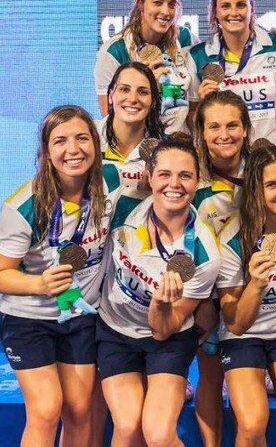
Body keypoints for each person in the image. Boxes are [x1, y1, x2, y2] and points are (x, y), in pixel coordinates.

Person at [96, 138, 220, 446]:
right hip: (115, 330)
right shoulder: (123, 205)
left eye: (185, 176)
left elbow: (164, 330)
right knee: (126, 429)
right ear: (149, 177)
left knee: (159, 434)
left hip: (168, 340)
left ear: (197, 182)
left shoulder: (204, 254)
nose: (173, 184)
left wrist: (162, 306)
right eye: (164, 174)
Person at [0, 105, 108, 446]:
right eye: (60, 141)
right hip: (29, 321)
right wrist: (38, 284)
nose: (73, 149)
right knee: (46, 410)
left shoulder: (109, 190)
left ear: (95, 143)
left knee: (79, 411)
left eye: (82, 138)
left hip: (81, 319)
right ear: (46, 152)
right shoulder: (24, 208)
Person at [216, 142, 276, 446]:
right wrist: (256, 285)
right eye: (270, 185)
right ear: (256, 192)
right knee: (252, 424)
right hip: (244, 337)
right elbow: (236, 324)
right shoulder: (233, 239)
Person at [191, 89, 253, 447]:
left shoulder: (264, 170)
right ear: (201, 131)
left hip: (262, 293)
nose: (224, 134)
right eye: (213, 126)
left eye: (232, 125)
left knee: (250, 392)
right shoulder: (191, 179)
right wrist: (201, 301)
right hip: (209, 298)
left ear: (246, 128)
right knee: (212, 378)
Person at [186, 0, 276, 141]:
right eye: (225, 6)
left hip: (269, 157)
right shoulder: (198, 55)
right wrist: (202, 106)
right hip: (224, 156)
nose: (234, 13)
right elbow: (192, 119)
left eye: (241, 5)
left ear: (252, 10)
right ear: (215, 13)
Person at [95, 0, 199, 133]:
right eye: (157, 3)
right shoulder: (114, 51)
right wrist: (144, 85)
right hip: (139, 149)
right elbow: (110, 119)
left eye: (171, 4)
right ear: (140, 3)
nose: (165, 11)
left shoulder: (186, 39)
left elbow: (193, 105)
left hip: (181, 148)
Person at [99, 61, 165, 194]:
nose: (133, 98)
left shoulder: (164, 151)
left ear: (153, 101)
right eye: (124, 89)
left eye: (143, 92)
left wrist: (151, 196)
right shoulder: (88, 139)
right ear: (111, 96)